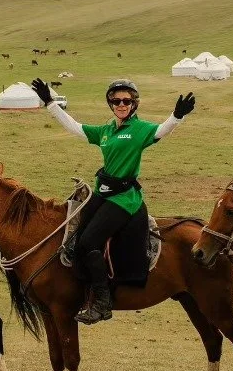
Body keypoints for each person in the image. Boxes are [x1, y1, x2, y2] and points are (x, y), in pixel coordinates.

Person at [28, 77, 195, 324]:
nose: (121, 104)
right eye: (116, 101)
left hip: (124, 199)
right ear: (110, 104)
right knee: (74, 238)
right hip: (102, 193)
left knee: (88, 243)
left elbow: (161, 131)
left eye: (126, 100)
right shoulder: (105, 131)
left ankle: (102, 302)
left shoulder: (139, 130)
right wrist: (50, 103)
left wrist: (177, 116)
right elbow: (75, 127)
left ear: (134, 103)